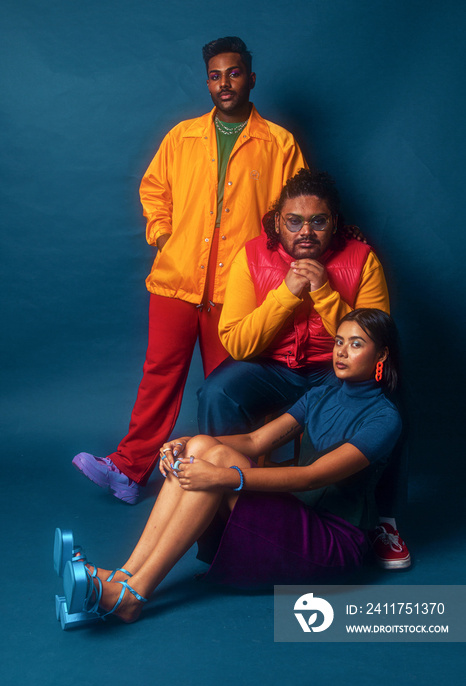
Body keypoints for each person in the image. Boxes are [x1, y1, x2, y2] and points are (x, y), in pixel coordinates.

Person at [72, 36, 306, 504]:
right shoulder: (182, 136)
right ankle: (129, 469)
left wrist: (271, 268)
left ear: (251, 78)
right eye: (216, 75)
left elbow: (296, 212)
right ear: (208, 81)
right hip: (177, 280)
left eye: (234, 73)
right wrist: (163, 233)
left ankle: (238, 485)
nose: (224, 83)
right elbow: (154, 189)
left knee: (227, 390)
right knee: (160, 373)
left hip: (237, 289)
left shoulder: (279, 143)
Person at [60, 309, 403, 625]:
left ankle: (133, 597)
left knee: (218, 461)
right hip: (299, 517)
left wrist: (224, 477)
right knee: (200, 446)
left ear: (382, 354)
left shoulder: (384, 418)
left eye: (356, 344)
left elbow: (311, 476)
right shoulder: (320, 395)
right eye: (339, 342)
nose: (341, 352)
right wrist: (185, 442)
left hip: (334, 543)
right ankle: (125, 577)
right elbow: (254, 442)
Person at [197, 168, 411, 570]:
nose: (305, 232)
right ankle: (219, 517)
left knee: (390, 394)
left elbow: (374, 343)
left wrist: (324, 292)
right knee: (216, 392)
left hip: (335, 369)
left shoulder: (362, 260)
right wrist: (285, 294)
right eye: (293, 221)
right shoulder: (252, 255)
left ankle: (385, 519)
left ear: (335, 224)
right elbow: (240, 344)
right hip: (271, 368)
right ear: (277, 222)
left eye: (318, 221)